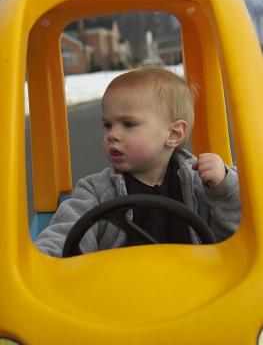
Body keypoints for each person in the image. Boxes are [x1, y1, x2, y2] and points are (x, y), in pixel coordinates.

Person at [35, 67, 240, 257]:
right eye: (108, 125)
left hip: (194, 288)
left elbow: (236, 238)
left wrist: (224, 189)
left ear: (173, 134)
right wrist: (45, 263)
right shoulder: (95, 191)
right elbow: (63, 234)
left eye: (128, 124)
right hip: (120, 291)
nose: (112, 135)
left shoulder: (199, 183)